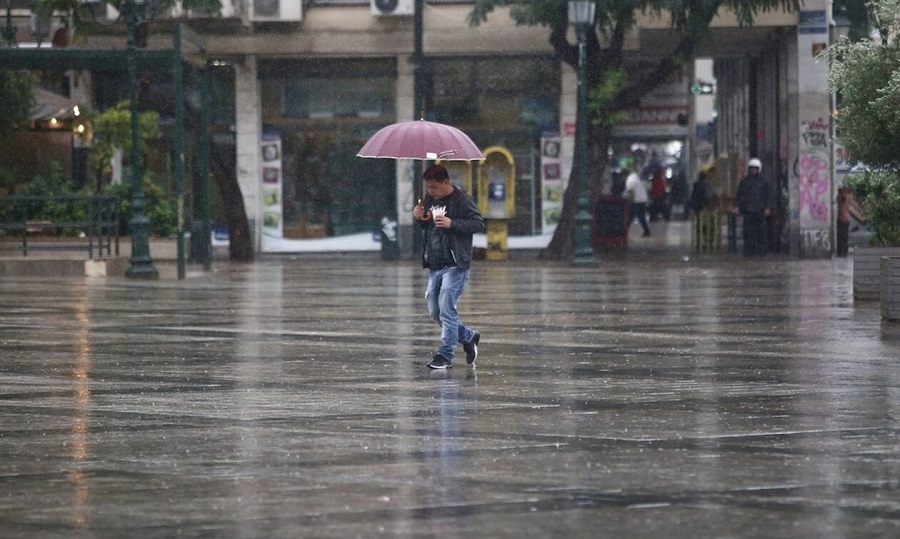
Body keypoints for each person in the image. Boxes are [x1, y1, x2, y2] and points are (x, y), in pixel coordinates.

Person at [413, 164, 485, 369]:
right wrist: (420, 217)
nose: (430, 192)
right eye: (427, 187)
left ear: (446, 182)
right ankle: (468, 336)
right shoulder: (429, 199)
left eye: (434, 187)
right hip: (435, 263)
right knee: (435, 312)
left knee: (446, 309)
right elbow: (428, 226)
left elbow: (478, 224)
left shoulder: (462, 200)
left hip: (455, 264)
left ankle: (445, 355)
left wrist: (452, 223)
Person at [731, 157, 772, 256]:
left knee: (762, 234)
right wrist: (737, 206)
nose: (753, 170)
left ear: (759, 169)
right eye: (751, 168)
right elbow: (739, 195)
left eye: (755, 168)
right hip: (748, 211)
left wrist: (767, 207)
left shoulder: (764, 182)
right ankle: (749, 253)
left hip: (760, 212)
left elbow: (768, 196)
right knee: (748, 234)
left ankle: (762, 252)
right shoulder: (744, 182)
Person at [623, 167, 651, 237]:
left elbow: (632, 193)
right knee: (641, 217)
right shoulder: (635, 177)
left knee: (630, 217)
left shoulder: (629, 180)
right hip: (643, 199)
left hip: (636, 200)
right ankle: (646, 231)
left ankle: (624, 232)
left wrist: (629, 201)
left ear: (624, 175)